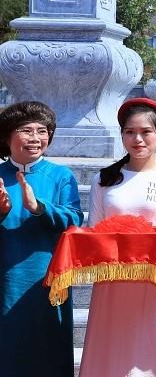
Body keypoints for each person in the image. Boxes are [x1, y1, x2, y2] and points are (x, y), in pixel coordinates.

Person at [79, 97, 156, 377]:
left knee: (151, 352)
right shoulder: (104, 179)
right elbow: (95, 230)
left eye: (146, 132)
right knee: (110, 350)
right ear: (121, 135)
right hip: (112, 281)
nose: (138, 139)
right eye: (130, 132)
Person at [0, 101, 84, 375]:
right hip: (5, 277)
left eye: (42, 130)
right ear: (7, 135)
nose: (36, 138)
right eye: (26, 130)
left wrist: (39, 208)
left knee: (48, 350)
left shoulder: (61, 176)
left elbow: (74, 218)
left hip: (48, 277)